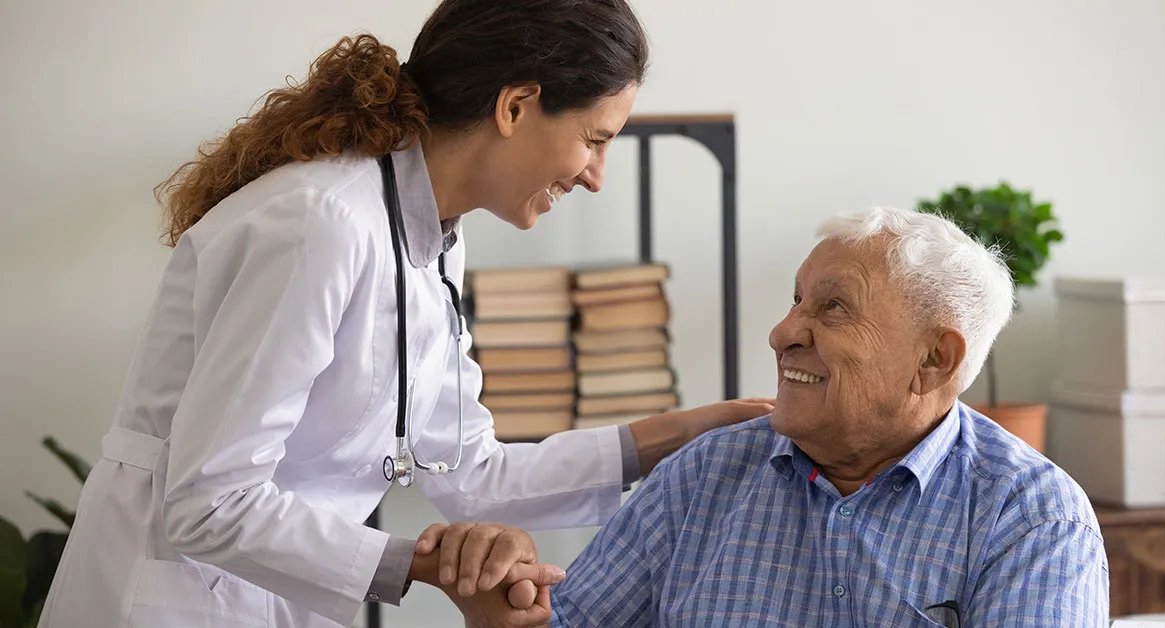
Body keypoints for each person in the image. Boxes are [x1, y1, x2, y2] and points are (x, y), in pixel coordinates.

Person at [36, 2, 775, 627]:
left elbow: (470, 474)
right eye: (593, 140)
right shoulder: (321, 223)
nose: (596, 176)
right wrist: (425, 565)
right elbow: (207, 503)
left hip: (258, 596)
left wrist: (679, 434)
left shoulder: (431, 240)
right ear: (515, 106)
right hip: (166, 597)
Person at [545, 206, 1109, 627]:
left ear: (935, 360)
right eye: (796, 300)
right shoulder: (700, 476)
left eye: (833, 307)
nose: (782, 333)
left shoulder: (1033, 520)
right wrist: (503, 600)